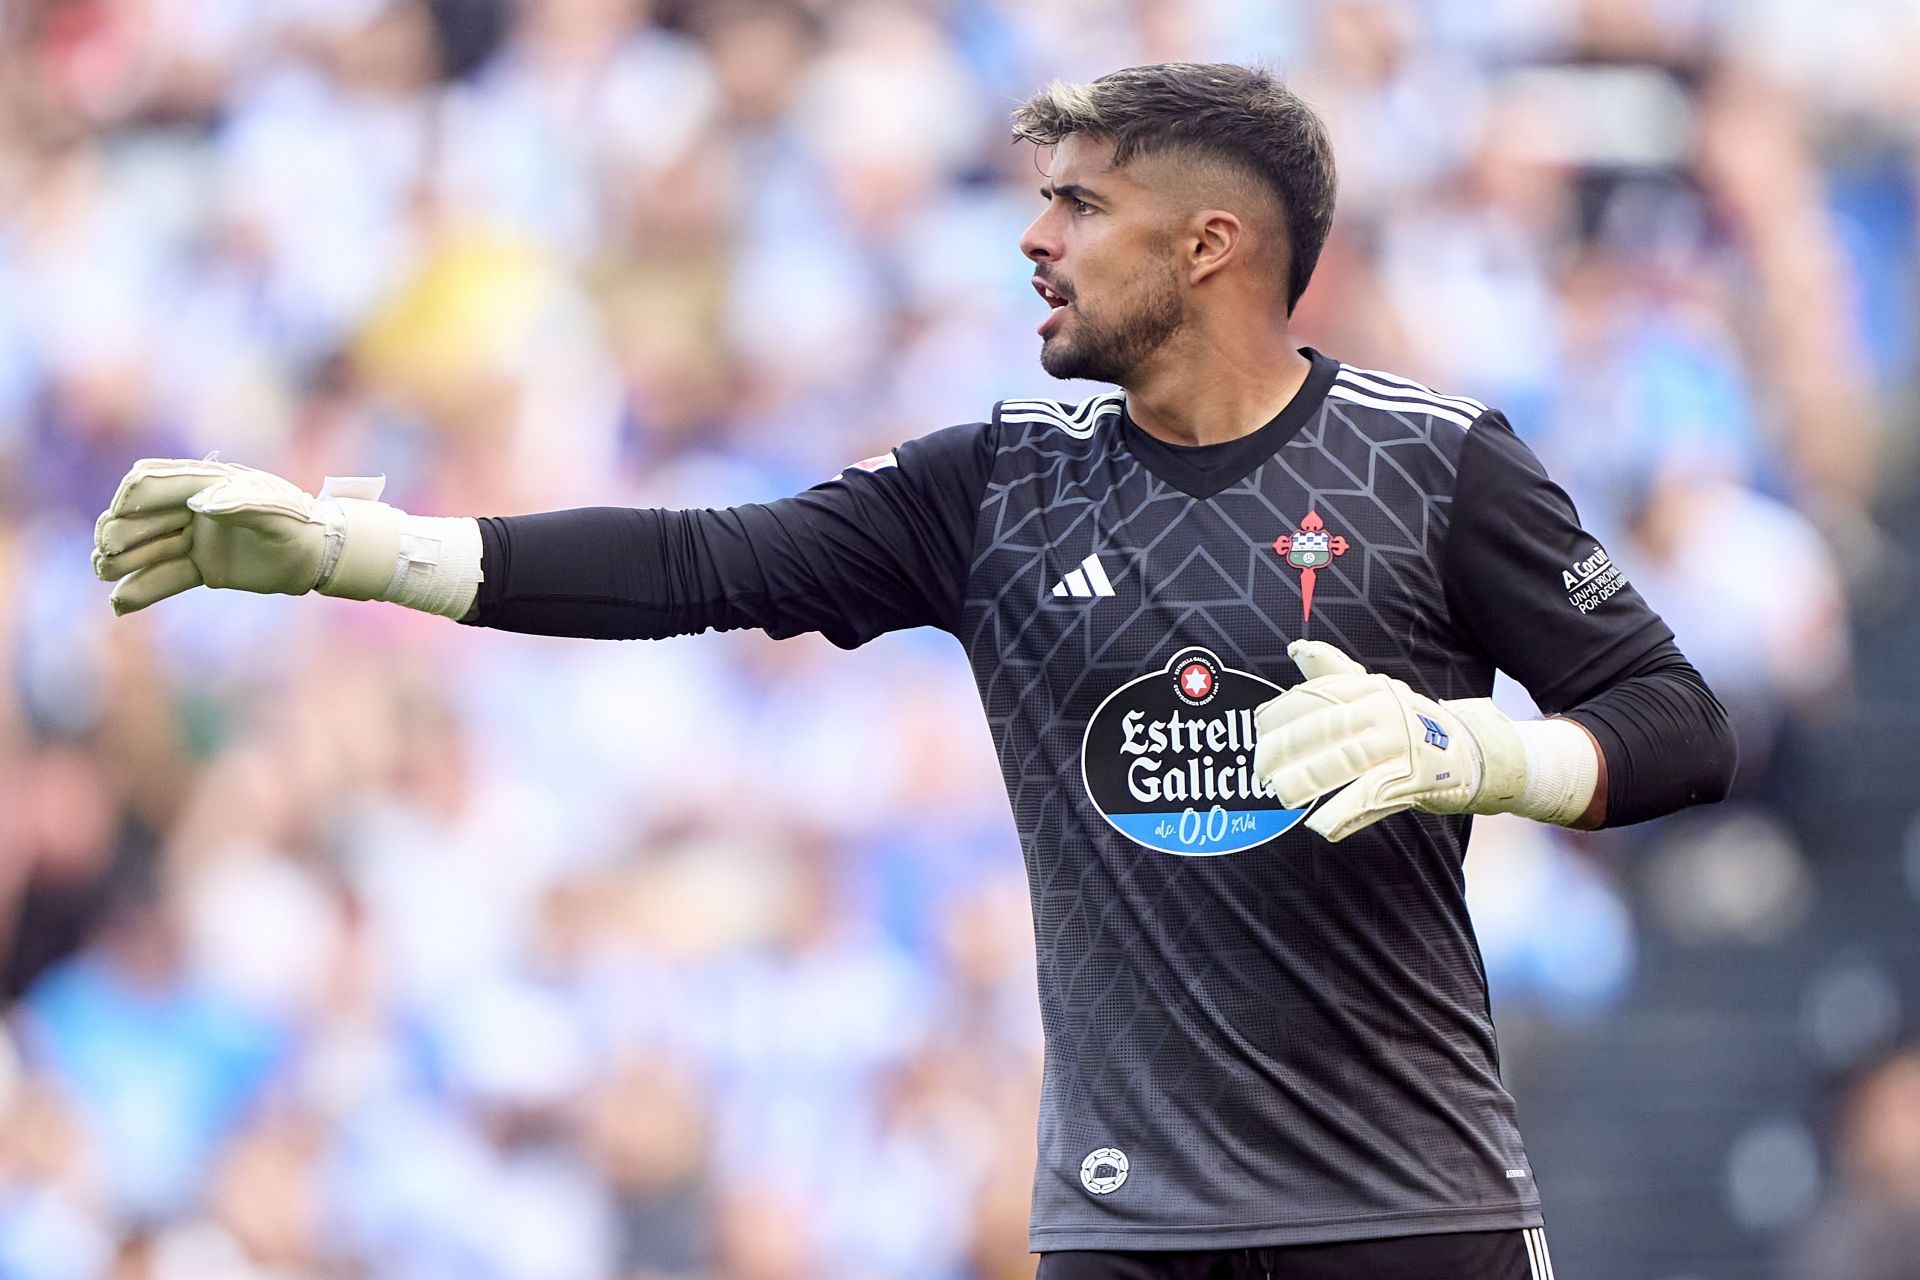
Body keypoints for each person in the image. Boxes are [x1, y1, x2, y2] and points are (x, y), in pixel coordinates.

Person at [91, 63, 1735, 1280]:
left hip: (1407, 1215)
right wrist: (346, 549)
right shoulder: (994, 483)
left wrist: (1479, 754)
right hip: (1121, 1226)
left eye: (1082, 205)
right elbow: (693, 565)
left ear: (1216, 245)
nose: (1033, 238)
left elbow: (1678, 725)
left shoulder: (1436, 466)